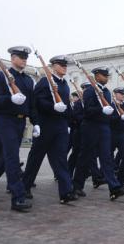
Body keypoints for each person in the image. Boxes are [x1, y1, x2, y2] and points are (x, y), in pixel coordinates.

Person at [0, 46, 36, 212]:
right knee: (12, 157)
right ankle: (18, 197)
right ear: (12, 58)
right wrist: (11, 99)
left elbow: (31, 104)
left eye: (26, 57)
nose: (24, 60)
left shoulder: (27, 80)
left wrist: (35, 122)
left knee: (6, 159)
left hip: (20, 122)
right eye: (21, 57)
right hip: (5, 120)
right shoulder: (1, 77)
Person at [22, 55, 77, 204]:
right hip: (46, 124)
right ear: (53, 66)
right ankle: (25, 187)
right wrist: (51, 107)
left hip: (60, 126)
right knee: (36, 158)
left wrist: (68, 123)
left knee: (60, 159)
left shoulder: (64, 84)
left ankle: (65, 192)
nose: (64, 67)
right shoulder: (45, 81)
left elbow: (65, 105)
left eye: (65, 65)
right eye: (61, 65)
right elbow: (37, 102)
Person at [72, 67, 124, 200]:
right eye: (104, 75)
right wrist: (101, 109)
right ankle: (76, 185)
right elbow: (88, 111)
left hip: (104, 127)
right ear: (96, 76)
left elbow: (109, 110)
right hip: (91, 126)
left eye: (107, 75)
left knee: (106, 157)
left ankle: (114, 187)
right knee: (85, 157)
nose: (107, 77)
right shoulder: (90, 91)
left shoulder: (107, 91)